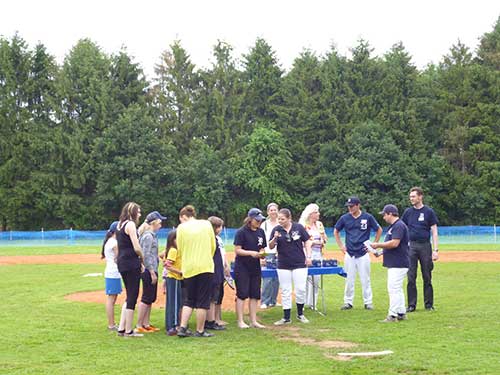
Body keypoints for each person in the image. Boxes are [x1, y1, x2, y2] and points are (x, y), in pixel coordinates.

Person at [334, 196, 382, 311]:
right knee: (349, 279)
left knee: (365, 279)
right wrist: (341, 246)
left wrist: (373, 244)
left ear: (358, 205)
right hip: (350, 253)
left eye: (352, 206)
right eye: (348, 206)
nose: (349, 208)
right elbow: (336, 231)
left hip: (363, 253)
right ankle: (348, 302)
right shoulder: (344, 218)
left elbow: (379, 229)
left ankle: (368, 302)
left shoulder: (367, 217)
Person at [176, 205, 217, 338]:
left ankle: (182, 327)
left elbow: (180, 248)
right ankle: (200, 330)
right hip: (205, 266)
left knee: (189, 299)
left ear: (183, 217)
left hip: (189, 267)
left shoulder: (181, 228)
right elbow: (213, 246)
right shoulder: (206, 224)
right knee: (203, 300)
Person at [269, 208, 313, 325]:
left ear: (289, 218)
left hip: (299, 263)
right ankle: (286, 317)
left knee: (300, 289)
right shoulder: (276, 229)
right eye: (279, 219)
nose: (280, 221)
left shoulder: (298, 227)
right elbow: (271, 246)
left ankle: (300, 314)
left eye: (282, 219)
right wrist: (275, 238)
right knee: (285, 290)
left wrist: (308, 256)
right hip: (283, 264)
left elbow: (308, 241)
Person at [402, 187, 439, 312]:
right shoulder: (408, 212)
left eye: (413, 196)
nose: (411, 198)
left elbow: (434, 231)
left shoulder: (429, 212)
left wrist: (435, 250)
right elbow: (402, 229)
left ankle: (429, 305)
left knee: (427, 276)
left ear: (420, 196)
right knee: (411, 276)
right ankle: (411, 305)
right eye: (410, 196)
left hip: (425, 246)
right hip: (411, 246)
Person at [371, 204, 410, 322]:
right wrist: (380, 252)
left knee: (393, 289)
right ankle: (401, 312)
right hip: (397, 262)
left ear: (390, 214)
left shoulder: (398, 226)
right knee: (397, 289)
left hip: (398, 262)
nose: (383, 217)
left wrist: (377, 245)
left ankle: (392, 315)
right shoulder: (395, 226)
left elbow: (394, 243)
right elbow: (392, 244)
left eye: (384, 214)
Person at [233, 208, 267, 329]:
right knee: (242, 293)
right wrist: (251, 253)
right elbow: (237, 250)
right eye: (257, 220)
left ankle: (253, 320)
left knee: (255, 294)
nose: (259, 222)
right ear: (250, 219)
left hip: (255, 266)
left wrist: (262, 254)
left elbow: (262, 248)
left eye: (260, 220)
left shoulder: (261, 232)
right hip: (242, 266)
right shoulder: (241, 232)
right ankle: (240, 321)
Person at [116, 202, 145, 337]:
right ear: (133, 212)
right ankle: (128, 330)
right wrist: (142, 258)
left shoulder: (119, 224)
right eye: (138, 212)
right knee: (133, 296)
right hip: (131, 262)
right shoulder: (131, 225)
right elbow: (136, 246)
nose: (139, 214)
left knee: (129, 295)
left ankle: (122, 328)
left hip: (122, 262)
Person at [136, 211, 166, 333]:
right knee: (146, 298)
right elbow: (146, 255)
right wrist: (152, 272)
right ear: (154, 222)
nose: (161, 225)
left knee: (150, 298)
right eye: (160, 222)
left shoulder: (151, 235)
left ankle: (146, 323)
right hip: (149, 270)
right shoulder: (148, 236)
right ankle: (139, 324)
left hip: (151, 269)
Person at [299, 203, 327, 310]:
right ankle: (304, 301)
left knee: (316, 279)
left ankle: (313, 303)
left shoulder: (319, 225)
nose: (319, 214)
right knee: (306, 278)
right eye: (316, 212)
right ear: (311, 214)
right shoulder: (303, 225)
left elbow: (324, 239)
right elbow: (302, 241)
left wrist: (322, 240)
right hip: (306, 253)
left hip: (318, 253)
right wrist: (313, 242)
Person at [205, 216, 227, 331]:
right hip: (213, 272)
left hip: (217, 271)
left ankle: (211, 320)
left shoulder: (215, 239)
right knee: (211, 298)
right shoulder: (210, 240)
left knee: (214, 297)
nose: (221, 229)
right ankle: (210, 321)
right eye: (219, 227)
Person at [101, 221, 122, 331]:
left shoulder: (110, 241)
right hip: (113, 272)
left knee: (112, 298)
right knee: (111, 299)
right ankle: (111, 324)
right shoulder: (114, 242)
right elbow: (118, 257)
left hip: (111, 271)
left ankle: (112, 323)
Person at [260, 203, 280, 309]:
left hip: (279, 253)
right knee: (267, 277)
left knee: (276, 278)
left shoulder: (281, 223)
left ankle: (273, 300)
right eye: (271, 210)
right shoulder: (265, 225)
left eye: (275, 210)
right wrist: (262, 255)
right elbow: (261, 239)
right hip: (268, 252)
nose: (273, 212)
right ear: (268, 212)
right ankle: (264, 300)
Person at [164, 229, 183, 336]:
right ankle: (174, 326)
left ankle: (169, 325)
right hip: (174, 278)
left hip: (173, 279)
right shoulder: (174, 250)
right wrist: (180, 272)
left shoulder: (172, 249)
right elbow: (167, 265)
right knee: (175, 303)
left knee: (172, 302)